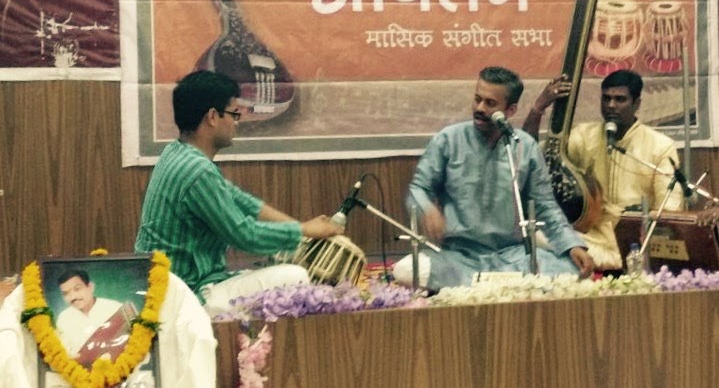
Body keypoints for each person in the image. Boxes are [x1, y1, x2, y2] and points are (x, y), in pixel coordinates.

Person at [135, 70, 342, 316]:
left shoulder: (176, 152)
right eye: (233, 113)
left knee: (273, 272)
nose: (237, 121)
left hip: (173, 287)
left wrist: (299, 226)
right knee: (295, 276)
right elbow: (243, 235)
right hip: (185, 297)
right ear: (212, 116)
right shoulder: (197, 170)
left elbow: (240, 200)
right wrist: (304, 231)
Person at [392, 66, 593, 292]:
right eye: (477, 99)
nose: (479, 108)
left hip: (512, 256)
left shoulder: (523, 146)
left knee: (570, 269)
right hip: (459, 257)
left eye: (490, 103)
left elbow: (546, 205)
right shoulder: (448, 139)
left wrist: (571, 245)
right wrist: (427, 209)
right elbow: (419, 188)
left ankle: (483, 285)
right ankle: (503, 285)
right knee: (407, 269)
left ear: (510, 110)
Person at [522, 69, 685, 271]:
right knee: (534, 236)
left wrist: (643, 224)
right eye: (606, 98)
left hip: (636, 242)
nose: (611, 106)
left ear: (636, 104)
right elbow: (530, 155)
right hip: (591, 238)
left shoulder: (660, 146)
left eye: (620, 99)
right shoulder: (584, 136)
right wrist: (538, 107)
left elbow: (670, 209)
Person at [55, 269, 123, 359]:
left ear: (90, 287)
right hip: (79, 371)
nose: (73, 297)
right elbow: (63, 354)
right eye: (66, 293)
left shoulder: (115, 308)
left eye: (77, 289)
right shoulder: (63, 319)